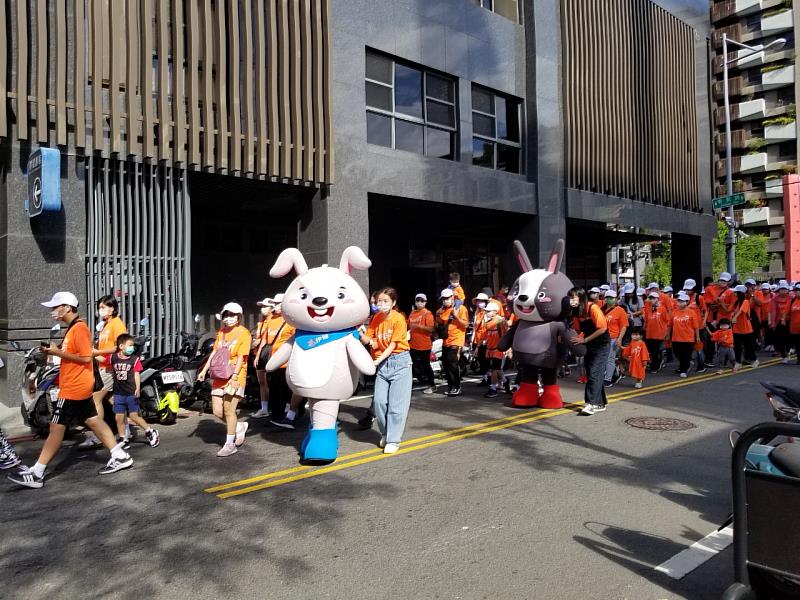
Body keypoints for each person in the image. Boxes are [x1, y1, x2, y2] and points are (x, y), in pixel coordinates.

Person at [9, 292, 133, 488]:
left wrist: (58, 352)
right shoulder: (72, 329)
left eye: (55, 307)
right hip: (76, 385)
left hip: (75, 388)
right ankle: (120, 455)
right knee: (93, 421)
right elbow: (72, 356)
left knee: (55, 428)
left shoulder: (80, 329)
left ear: (67, 308)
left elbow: (85, 358)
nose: (52, 310)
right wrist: (53, 353)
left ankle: (37, 472)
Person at [197, 302, 252, 457]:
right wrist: (204, 370)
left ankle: (230, 444)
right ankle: (238, 426)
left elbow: (242, 357)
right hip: (220, 375)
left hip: (235, 375)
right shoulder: (221, 332)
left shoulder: (244, 333)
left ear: (239, 317)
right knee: (217, 411)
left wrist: (235, 376)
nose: (228, 318)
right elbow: (215, 352)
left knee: (229, 410)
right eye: (226, 315)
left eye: (232, 315)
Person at [365, 288, 412, 454]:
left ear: (393, 303)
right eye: (379, 301)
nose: (381, 304)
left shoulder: (399, 319)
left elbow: (392, 345)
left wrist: (377, 360)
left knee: (396, 406)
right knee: (378, 402)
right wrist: (357, 332)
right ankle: (385, 433)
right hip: (383, 364)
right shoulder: (376, 318)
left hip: (399, 362)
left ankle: (393, 439)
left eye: (385, 301)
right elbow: (370, 340)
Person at [78, 295, 128, 449]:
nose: (101, 310)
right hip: (103, 367)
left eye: (103, 307)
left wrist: (97, 352)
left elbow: (120, 346)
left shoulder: (117, 324)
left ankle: (98, 435)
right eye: (99, 307)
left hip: (111, 368)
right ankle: (125, 432)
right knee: (113, 400)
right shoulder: (107, 325)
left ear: (113, 308)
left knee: (95, 399)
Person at [109, 334, 160, 448]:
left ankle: (150, 431)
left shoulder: (134, 360)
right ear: (121, 346)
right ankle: (123, 438)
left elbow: (137, 375)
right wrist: (92, 353)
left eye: (132, 346)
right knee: (119, 417)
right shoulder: (113, 357)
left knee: (134, 416)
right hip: (118, 393)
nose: (132, 348)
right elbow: (103, 359)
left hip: (131, 392)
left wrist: (137, 388)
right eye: (130, 345)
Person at [266, 294, 302, 430]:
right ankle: (276, 416)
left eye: (277, 303)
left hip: (287, 363)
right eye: (273, 303)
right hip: (274, 361)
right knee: (274, 391)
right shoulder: (271, 320)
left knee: (285, 391)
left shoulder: (292, 321)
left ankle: (285, 416)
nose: (274, 306)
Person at [574, 289, 610, 416]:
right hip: (589, 345)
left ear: (582, 298)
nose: (572, 300)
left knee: (594, 372)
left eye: (574, 298)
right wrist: (578, 338)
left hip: (602, 345)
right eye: (570, 298)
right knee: (593, 373)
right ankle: (600, 403)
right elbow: (578, 330)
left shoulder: (593, 308)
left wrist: (586, 339)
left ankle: (591, 403)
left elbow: (602, 328)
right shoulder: (576, 312)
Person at [436, 288, 468, 396]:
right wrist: (437, 316)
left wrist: (456, 316)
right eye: (443, 299)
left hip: (456, 340)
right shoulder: (443, 310)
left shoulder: (461, 308)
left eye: (447, 298)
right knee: (446, 364)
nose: (445, 301)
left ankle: (457, 386)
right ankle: (450, 386)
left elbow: (466, 324)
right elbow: (441, 323)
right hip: (446, 340)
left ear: (452, 298)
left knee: (453, 363)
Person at [251, 297, 275, 419]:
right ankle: (264, 408)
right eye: (262, 307)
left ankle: (276, 406)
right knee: (261, 382)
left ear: (272, 308)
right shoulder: (260, 323)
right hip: (259, 354)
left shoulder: (276, 321)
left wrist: (259, 341)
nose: (263, 309)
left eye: (265, 306)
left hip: (270, 354)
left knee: (271, 382)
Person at [666, 291, 700, 378]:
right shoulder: (674, 312)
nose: (680, 303)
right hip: (676, 338)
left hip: (688, 338)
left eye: (683, 301)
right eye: (679, 301)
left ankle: (684, 370)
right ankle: (687, 363)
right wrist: (668, 335)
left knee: (685, 354)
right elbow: (670, 325)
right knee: (677, 353)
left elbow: (696, 326)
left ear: (687, 302)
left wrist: (698, 337)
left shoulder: (691, 312)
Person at [408, 293, 436, 394]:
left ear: (425, 302)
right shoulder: (412, 313)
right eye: (417, 300)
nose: (419, 302)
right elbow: (408, 325)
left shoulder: (427, 313)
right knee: (411, 365)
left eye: (422, 301)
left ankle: (432, 385)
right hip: (412, 344)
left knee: (426, 365)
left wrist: (418, 326)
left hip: (424, 345)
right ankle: (411, 383)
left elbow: (431, 329)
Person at [601, 290, 628, 387]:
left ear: (616, 299)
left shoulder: (620, 310)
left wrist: (619, 338)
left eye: (611, 298)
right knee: (605, 358)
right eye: (607, 297)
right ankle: (615, 374)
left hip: (613, 338)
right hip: (603, 338)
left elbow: (624, 326)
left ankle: (608, 379)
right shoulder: (601, 310)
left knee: (610, 358)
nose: (609, 300)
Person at [481, 301, 508, 399]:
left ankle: (493, 388)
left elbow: (506, 335)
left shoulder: (501, 321)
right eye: (486, 311)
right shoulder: (487, 322)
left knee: (494, 370)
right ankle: (505, 382)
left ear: (495, 311)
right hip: (490, 349)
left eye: (489, 311)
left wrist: (507, 349)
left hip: (498, 349)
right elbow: (485, 336)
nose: (487, 313)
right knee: (497, 369)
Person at [731, 284, 758, 372]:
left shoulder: (745, 301)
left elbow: (742, 311)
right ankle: (738, 362)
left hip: (746, 328)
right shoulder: (736, 302)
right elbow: (731, 311)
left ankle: (754, 360)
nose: (734, 293)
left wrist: (735, 317)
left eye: (735, 292)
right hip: (736, 328)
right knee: (737, 347)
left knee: (749, 346)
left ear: (739, 293)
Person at [643, 291, 669, 373]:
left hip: (659, 333)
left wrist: (666, 333)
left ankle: (655, 366)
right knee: (651, 351)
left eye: (653, 298)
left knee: (656, 351)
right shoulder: (648, 309)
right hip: (650, 333)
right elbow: (646, 320)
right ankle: (655, 364)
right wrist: (644, 328)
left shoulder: (662, 309)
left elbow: (667, 321)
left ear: (657, 299)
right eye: (650, 298)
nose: (651, 300)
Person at [769, 281, 792, 362]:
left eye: (785, 289)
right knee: (781, 340)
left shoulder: (791, 298)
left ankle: (788, 352)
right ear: (779, 290)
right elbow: (773, 311)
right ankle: (784, 356)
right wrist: (773, 323)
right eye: (781, 289)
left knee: (789, 339)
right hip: (779, 322)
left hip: (789, 321)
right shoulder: (774, 299)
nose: (783, 291)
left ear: (787, 290)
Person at [471, 293, 491, 384]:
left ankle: (489, 378)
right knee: (481, 360)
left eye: (482, 301)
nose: (480, 303)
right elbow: (475, 328)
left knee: (485, 361)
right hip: (476, 339)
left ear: (486, 303)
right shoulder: (477, 312)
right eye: (478, 301)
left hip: (484, 341)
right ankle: (485, 378)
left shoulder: (488, 313)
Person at [789, 283, 800, 364]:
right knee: (797, 344)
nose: (796, 292)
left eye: (797, 291)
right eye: (795, 291)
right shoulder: (793, 300)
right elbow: (788, 312)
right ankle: (799, 359)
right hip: (794, 327)